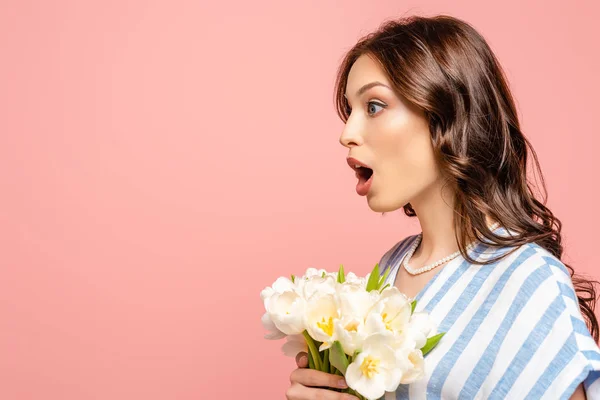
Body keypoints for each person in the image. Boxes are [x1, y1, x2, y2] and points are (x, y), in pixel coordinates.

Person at [286, 14, 600, 400]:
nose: (346, 134)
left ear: (446, 113)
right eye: (349, 111)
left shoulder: (529, 280)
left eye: (373, 106)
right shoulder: (390, 269)